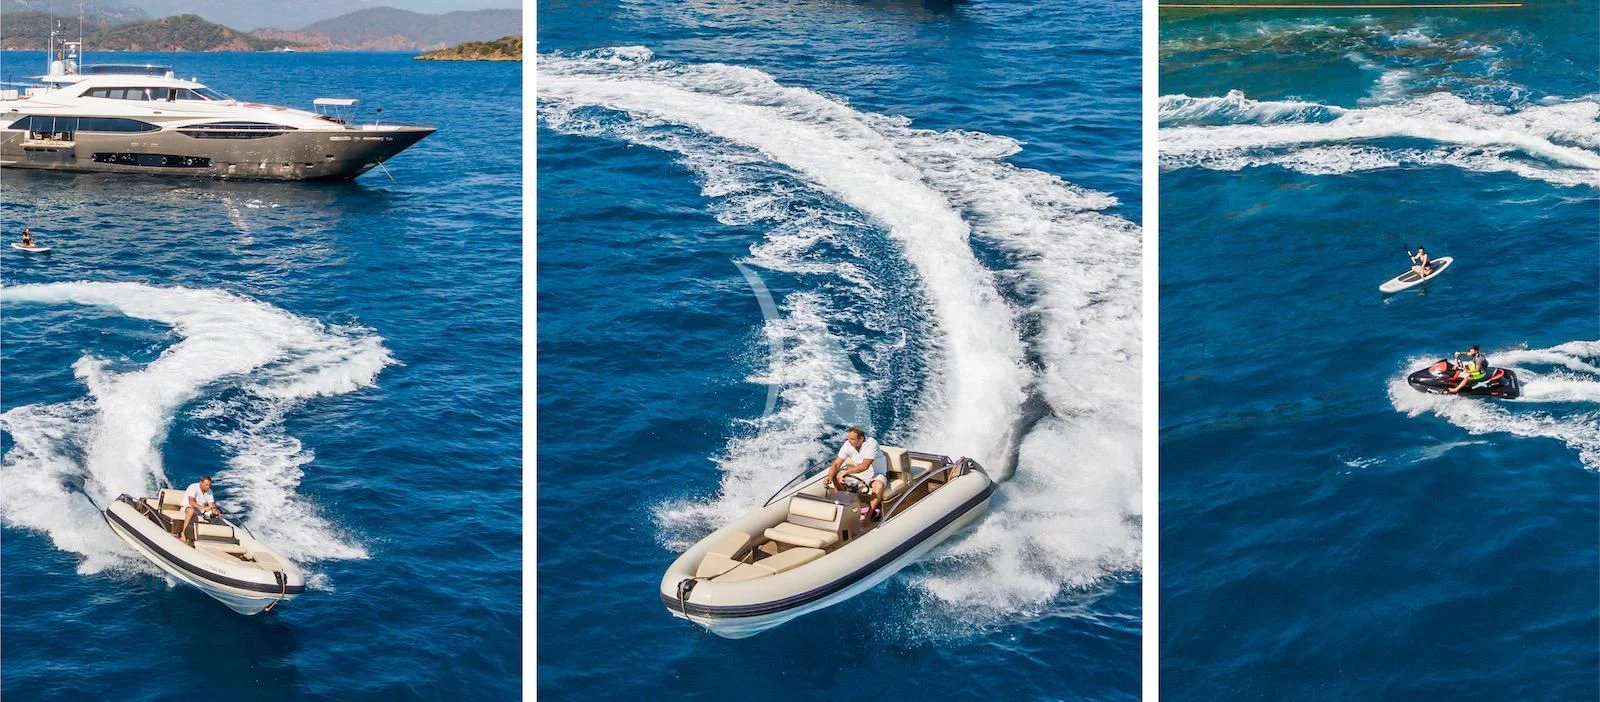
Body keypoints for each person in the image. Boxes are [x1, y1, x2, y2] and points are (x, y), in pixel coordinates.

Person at [826, 426, 889, 522]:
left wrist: (846, 472)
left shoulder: (871, 444)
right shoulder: (847, 444)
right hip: (859, 474)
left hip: (876, 474)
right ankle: (845, 507)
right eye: (848, 438)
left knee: (878, 485)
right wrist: (830, 476)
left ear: (861, 439)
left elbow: (865, 466)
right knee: (837, 476)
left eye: (852, 439)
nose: (849, 441)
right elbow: (836, 464)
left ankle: (868, 517)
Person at [176, 475, 223, 543]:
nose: (208, 487)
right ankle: (182, 533)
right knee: (191, 510)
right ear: (201, 482)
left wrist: (215, 512)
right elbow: (191, 502)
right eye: (206, 485)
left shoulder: (209, 491)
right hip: (187, 507)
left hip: (200, 511)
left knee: (214, 515)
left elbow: (211, 505)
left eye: (209, 485)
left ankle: (211, 537)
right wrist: (203, 508)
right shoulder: (193, 487)